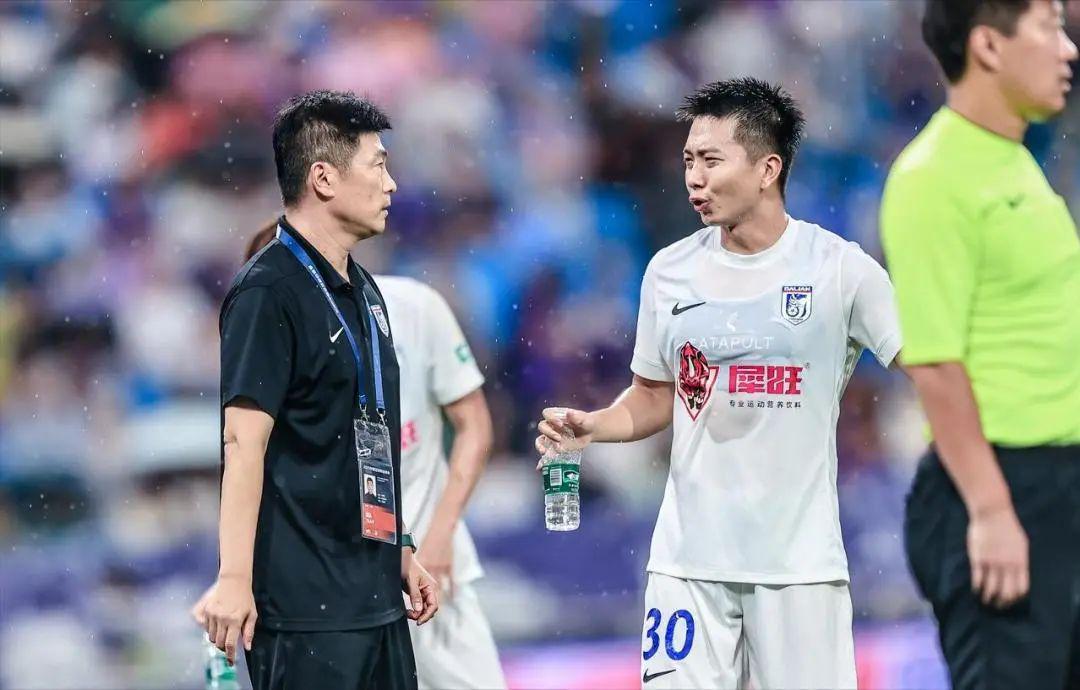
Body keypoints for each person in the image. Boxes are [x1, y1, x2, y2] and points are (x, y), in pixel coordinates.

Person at [535, 78, 901, 690]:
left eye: (711, 160)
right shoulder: (670, 271)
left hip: (797, 567)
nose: (693, 179)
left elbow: (930, 363)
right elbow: (655, 395)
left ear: (767, 169)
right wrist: (594, 426)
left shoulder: (840, 270)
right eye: (688, 161)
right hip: (688, 563)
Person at [191, 90, 438, 690]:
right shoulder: (267, 293)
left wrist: (399, 547)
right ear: (324, 178)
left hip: (377, 597)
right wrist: (233, 578)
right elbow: (242, 443)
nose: (391, 184)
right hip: (304, 608)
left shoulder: (366, 291)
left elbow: (365, 436)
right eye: (377, 165)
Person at [881, 2, 1079, 688]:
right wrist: (991, 509)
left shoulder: (1016, 164)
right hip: (1000, 485)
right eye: (1049, 27)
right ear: (989, 46)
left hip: (1056, 483)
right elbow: (935, 361)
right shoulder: (932, 177)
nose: (1068, 49)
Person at [238, 221, 508, 689]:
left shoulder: (414, 307)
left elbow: (475, 426)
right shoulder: (268, 345)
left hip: (434, 572)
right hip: (339, 592)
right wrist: (236, 577)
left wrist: (438, 537)